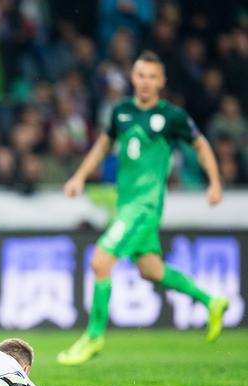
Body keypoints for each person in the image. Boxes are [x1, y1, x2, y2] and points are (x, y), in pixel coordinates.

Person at [58, 51, 229, 366]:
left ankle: (94, 336)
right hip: (127, 204)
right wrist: (80, 176)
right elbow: (103, 145)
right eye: (141, 75)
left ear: (162, 81)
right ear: (133, 78)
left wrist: (214, 182)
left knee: (100, 262)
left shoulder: (172, 117)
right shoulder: (121, 112)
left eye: (153, 76)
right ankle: (212, 300)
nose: (146, 82)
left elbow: (201, 144)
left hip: (144, 206)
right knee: (151, 270)